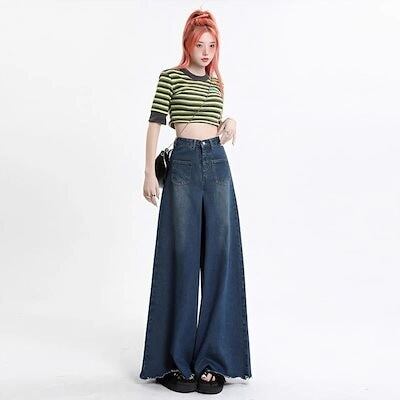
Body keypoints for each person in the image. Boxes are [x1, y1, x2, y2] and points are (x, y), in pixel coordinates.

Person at [139, 9, 252, 394]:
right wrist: (148, 172)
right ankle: (176, 361)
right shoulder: (169, 77)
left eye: (212, 45)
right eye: (199, 44)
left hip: (217, 164)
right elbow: (155, 123)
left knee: (220, 259)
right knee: (182, 259)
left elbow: (212, 124)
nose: (206, 51)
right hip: (184, 165)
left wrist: (230, 122)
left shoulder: (217, 83)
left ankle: (213, 362)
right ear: (187, 44)